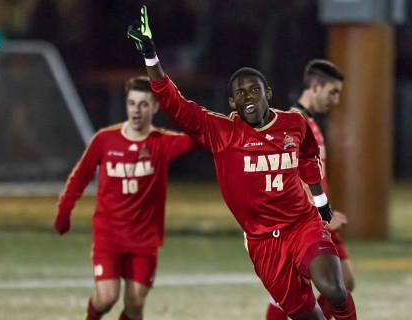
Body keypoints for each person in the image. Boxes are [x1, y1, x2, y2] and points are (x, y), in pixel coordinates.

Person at [127, 6, 357, 320]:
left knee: (334, 288)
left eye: (254, 89)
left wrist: (321, 205)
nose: (248, 96)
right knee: (308, 316)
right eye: (240, 93)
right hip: (263, 242)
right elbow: (175, 105)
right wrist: (151, 58)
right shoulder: (223, 132)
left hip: (302, 225)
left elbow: (308, 158)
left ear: (268, 94)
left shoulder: (294, 124)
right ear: (233, 103)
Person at [54, 75, 197, 320]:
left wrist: (180, 106)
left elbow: (200, 136)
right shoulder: (105, 140)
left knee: (135, 302)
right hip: (109, 235)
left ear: (154, 107)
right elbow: (80, 177)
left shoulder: (162, 143)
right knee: (107, 298)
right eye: (132, 103)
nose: (136, 110)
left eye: (143, 104)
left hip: (144, 240)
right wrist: (64, 212)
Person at [265, 60, 354, 320]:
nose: (336, 100)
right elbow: (290, 181)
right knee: (290, 296)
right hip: (304, 223)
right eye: (333, 92)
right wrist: (322, 218)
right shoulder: (291, 125)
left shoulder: (310, 124)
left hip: (319, 218)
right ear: (315, 86)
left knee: (344, 282)